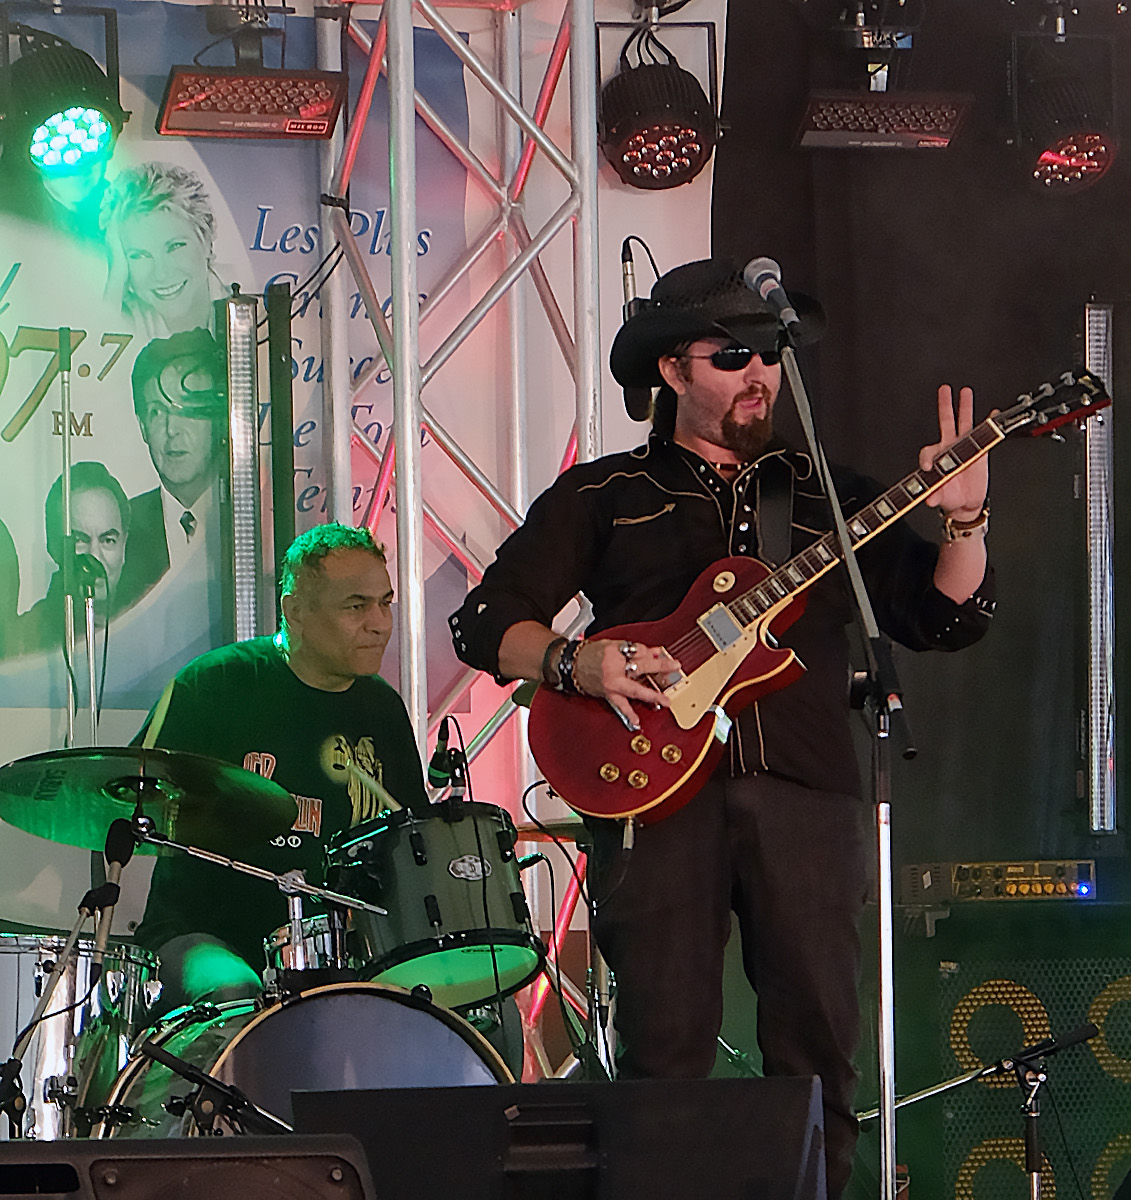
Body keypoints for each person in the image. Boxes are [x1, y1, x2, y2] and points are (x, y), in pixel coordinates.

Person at [448, 257, 995, 1198]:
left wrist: (965, 520)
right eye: (731, 355)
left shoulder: (831, 496)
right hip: (655, 801)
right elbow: (485, 621)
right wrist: (580, 662)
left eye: (770, 354)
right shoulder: (606, 493)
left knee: (820, 1049)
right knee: (664, 1049)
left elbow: (944, 618)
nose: (759, 374)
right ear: (672, 371)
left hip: (807, 792)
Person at [132, 523, 426, 1007]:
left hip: (341, 952)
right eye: (356, 606)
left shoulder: (383, 709)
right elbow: (126, 795)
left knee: (485, 1010)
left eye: (385, 603)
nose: (380, 623)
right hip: (207, 935)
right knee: (236, 992)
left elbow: (410, 847)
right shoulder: (215, 685)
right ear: (295, 611)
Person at [115, 329, 225, 613]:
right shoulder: (118, 533)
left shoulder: (250, 520)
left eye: (187, 410)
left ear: (220, 419)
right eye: (157, 412)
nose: (172, 429)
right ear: (142, 427)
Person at [15, 461, 132, 652]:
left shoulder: (151, 628)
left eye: (108, 540)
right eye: (80, 540)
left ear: (123, 546)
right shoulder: (25, 640)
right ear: (54, 547)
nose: (94, 556)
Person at [101, 163, 226, 338]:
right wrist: (116, 279)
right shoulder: (122, 315)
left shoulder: (255, 309)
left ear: (205, 239)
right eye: (139, 255)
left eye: (175, 247)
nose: (161, 273)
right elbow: (97, 346)